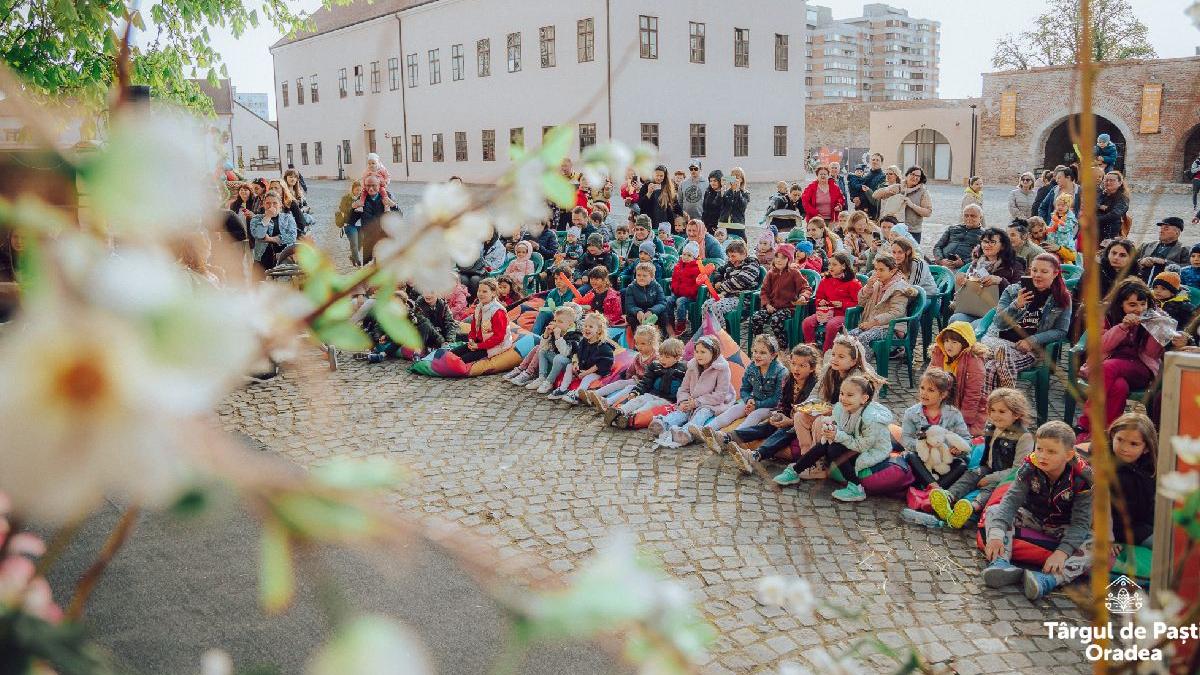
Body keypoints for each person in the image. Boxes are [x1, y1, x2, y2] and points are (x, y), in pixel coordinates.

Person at [981, 421, 1094, 600]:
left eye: (1051, 452)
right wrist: (995, 535)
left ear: (1068, 454)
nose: (1042, 456)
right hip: (1032, 516)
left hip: (1062, 526)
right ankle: (1001, 563)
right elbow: (1010, 501)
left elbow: (1081, 524)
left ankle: (1048, 580)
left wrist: (1062, 552)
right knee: (994, 510)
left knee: (1096, 544)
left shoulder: (1083, 479)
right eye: (1039, 449)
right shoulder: (1030, 465)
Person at [922, 388, 1034, 529]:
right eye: (992, 410)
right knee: (971, 474)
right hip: (988, 467)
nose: (995, 415)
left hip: (1007, 478)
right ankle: (948, 497)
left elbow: (1018, 470)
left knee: (990, 489)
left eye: (1002, 412)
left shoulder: (1024, 437)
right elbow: (986, 454)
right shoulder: (992, 426)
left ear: (1016, 414)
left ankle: (971, 507)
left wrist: (991, 478)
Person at [774, 375, 892, 503]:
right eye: (842, 393)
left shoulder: (871, 419)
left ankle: (856, 487)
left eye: (850, 395)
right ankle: (796, 470)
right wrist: (829, 428)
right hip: (852, 442)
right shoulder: (841, 408)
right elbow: (837, 425)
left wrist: (837, 436)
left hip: (871, 450)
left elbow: (863, 446)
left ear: (864, 399)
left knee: (834, 448)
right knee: (826, 444)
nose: (844, 398)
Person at [712, 344, 821, 475]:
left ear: (812, 368)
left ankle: (756, 455)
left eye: (802, 366)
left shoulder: (816, 386)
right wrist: (779, 415)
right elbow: (782, 403)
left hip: (803, 425)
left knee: (785, 431)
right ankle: (728, 437)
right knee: (767, 426)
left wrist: (790, 422)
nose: (796, 369)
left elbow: (811, 413)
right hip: (788, 418)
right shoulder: (788, 379)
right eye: (793, 363)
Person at [1075, 278, 1164, 438]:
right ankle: (1106, 433)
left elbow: (1151, 354)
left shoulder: (1155, 317)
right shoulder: (1108, 316)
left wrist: (1154, 329)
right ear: (1120, 304)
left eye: (1143, 304)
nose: (1139, 309)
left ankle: (1085, 422)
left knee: (1108, 367)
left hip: (1140, 367)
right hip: (1109, 365)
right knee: (1119, 387)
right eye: (1132, 305)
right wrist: (1122, 327)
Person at [981, 254, 1072, 392]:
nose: (1037, 275)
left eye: (1044, 271)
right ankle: (1010, 405)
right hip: (996, 340)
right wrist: (1016, 305)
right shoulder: (1013, 290)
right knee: (1002, 349)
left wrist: (1032, 340)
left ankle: (992, 409)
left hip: (1027, 350)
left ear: (1055, 273)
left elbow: (1061, 331)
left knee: (991, 367)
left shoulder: (1061, 298)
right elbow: (998, 322)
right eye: (1034, 270)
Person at [648, 335, 736, 447]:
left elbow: (720, 395)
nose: (699, 355)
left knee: (702, 413)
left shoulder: (722, 368)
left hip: (713, 402)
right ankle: (664, 423)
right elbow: (684, 388)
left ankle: (687, 432)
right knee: (683, 410)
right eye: (697, 351)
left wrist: (697, 402)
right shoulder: (692, 366)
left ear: (713, 353)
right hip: (692, 399)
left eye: (703, 352)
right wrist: (683, 401)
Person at [900, 368, 972, 489]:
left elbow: (966, 439)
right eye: (922, 388)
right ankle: (935, 487)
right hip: (923, 461)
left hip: (945, 460)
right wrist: (923, 446)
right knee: (910, 456)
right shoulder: (912, 413)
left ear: (943, 394)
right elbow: (906, 438)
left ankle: (935, 489)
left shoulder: (953, 414)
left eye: (931, 390)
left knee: (962, 465)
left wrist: (957, 450)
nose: (924, 393)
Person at [701, 334, 787, 435]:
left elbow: (777, 399)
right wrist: (748, 400)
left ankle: (732, 436)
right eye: (755, 351)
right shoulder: (751, 367)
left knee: (755, 415)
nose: (757, 355)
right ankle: (706, 430)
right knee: (733, 410)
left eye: (763, 353)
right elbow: (744, 389)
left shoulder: (781, 372)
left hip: (771, 407)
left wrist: (756, 405)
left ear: (773, 355)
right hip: (753, 401)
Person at [947, 227, 1026, 325]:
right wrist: (961, 280)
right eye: (984, 241)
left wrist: (1000, 281)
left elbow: (1018, 291)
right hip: (973, 308)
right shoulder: (976, 263)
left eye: (992, 242)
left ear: (1002, 246)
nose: (987, 245)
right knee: (955, 319)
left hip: (998, 312)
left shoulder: (1014, 265)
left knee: (976, 326)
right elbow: (964, 289)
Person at [606, 338, 688, 428]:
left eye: (667, 357)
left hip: (667, 400)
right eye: (661, 356)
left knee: (650, 405)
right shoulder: (655, 366)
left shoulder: (682, 370)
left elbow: (686, 388)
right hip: (652, 394)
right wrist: (635, 392)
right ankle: (619, 411)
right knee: (639, 399)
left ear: (677, 358)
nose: (662, 359)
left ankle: (630, 417)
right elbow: (646, 382)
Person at [847, 252, 917, 351]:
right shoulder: (877, 284)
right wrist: (868, 286)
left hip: (891, 330)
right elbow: (861, 302)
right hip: (872, 326)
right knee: (847, 338)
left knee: (863, 338)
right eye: (876, 269)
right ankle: (850, 364)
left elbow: (896, 312)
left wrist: (873, 323)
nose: (877, 273)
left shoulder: (899, 288)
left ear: (892, 271)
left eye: (881, 270)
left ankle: (863, 365)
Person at [930, 321, 989, 436]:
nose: (948, 345)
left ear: (965, 343)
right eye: (946, 341)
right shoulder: (939, 354)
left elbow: (972, 395)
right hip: (944, 403)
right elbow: (929, 381)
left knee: (958, 437)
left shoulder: (974, 361)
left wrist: (963, 421)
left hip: (965, 408)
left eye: (954, 342)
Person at [583, 324, 660, 412]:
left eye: (643, 344)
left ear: (652, 343)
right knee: (620, 383)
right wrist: (630, 376)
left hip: (646, 386)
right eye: (637, 343)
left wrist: (640, 381)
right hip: (636, 380)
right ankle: (594, 394)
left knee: (629, 388)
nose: (639, 347)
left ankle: (607, 402)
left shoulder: (656, 358)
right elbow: (631, 370)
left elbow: (656, 377)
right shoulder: (638, 356)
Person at [1108, 413, 1157, 548]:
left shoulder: (1151, 468)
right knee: (1165, 547)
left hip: (1147, 524)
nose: (1124, 448)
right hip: (1121, 531)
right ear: (1112, 435)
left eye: (1134, 444)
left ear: (1146, 448)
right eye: (1120, 439)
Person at [749, 244, 810, 349]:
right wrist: (767, 304)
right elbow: (763, 291)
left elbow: (805, 288)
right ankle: (761, 343)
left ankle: (782, 347)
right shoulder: (770, 273)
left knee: (775, 320)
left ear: (789, 259)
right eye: (777, 256)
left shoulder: (794, 273)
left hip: (788, 308)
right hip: (772, 307)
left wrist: (803, 296)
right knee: (756, 317)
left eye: (783, 257)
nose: (779, 260)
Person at [801, 252, 861, 351]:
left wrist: (842, 304)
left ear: (843, 266)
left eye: (834, 264)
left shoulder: (853, 283)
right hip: (826, 312)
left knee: (832, 325)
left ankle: (827, 351)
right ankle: (811, 349)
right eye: (829, 264)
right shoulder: (825, 281)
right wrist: (821, 302)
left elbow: (858, 304)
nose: (830, 267)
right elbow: (818, 298)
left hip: (844, 315)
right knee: (807, 322)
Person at [552, 312, 616, 403]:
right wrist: (575, 363)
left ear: (598, 330)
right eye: (585, 326)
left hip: (596, 371)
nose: (587, 329)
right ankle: (563, 389)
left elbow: (599, 365)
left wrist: (586, 373)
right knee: (569, 366)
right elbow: (577, 353)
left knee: (587, 378)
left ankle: (577, 395)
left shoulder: (603, 347)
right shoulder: (584, 341)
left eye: (590, 327)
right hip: (585, 366)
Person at [702, 240, 762, 330]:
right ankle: (708, 332)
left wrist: (721, 286)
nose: (730, 259)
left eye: (733, 256)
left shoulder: (751, 264)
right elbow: (718, 271)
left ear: (744, 254)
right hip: (728, 296)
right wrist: (718, 280)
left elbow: (740, 281)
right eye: (729, 256)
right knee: (706, 305)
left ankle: (722, 334)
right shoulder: (731, 263)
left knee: (716, 307)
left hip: (743, 299)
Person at [451, 278, 511, 364]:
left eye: (485, 291)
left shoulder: (498, 311)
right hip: (480, 342)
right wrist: (471, 339)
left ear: (493, 293)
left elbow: (499, 338)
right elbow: (473, 329)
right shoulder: (479, 307)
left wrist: (479, 346)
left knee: (461, 361)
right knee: (452, 354)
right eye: (479, 291)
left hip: (494, 346)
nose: (480, 294)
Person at [347, 176, 400, 265]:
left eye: (373, 185)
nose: (370, 188)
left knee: (387, 265)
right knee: (368, 268)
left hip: (384, 236)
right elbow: (351, 220)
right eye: (368, 185)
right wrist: (353, 207)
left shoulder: (387, 196)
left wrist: (393, 205)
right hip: (368, 238)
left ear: (379, 185)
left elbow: (398, 216)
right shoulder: (361, 198)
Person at [874, 166, 933, 242]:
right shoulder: (898, 187)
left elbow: (928, 212)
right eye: (912, 174)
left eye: (918, 176)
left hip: (912, 231)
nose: (915, 177)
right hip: (894, 229)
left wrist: (912, 205)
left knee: (912, 253)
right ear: (907, 175)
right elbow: (875, 195)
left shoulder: (923, 192)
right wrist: (887, 191)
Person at [248, 191, 297, 269]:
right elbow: (259, 235)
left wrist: (271, 239)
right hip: (262, 259)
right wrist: (267, 217)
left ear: (280, 205)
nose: (271, 206)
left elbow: (292, 237)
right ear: (263, 205)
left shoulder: (288, 218)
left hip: (283, 260)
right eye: (268, 203)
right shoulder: (256, 219)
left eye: (275, 203)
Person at [1133, 217, 1189, 283]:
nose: (1161, 231)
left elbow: (1189, 269)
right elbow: (1130, 261)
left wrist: (1165, 262)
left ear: (1177, 232)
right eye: (1161, 228)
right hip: (1140, 282)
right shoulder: (1146, 246)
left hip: (1166, 285)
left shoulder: (1184, 250)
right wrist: (1141, 261)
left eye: (1166, 229)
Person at [932, 204, 984, 270]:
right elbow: (937, 247)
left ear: (980, 217)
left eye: (973, 216)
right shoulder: (952, 229)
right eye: (966, 216)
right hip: (942, 263)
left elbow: (983, 255)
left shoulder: (984, 235)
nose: (969, 218)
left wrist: (963, 263)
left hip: (965, 267)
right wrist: (940, 260)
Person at [637, 165, 684, 233]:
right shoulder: (646, 186)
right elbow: (641, 205)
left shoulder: (668, 187)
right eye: (657, 175)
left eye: (661, 176)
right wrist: (649, 193)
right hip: (650, 224)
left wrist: (682, 215)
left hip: (666, 223)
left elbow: (675, 205)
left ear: (665, 176)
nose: (659, 178)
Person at [623, 262, 669, 331]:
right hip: (638, 314)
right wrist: (638, 311)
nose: (641, 278)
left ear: (652, 277)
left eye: (644, 276)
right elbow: (629, 305)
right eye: (638, 275)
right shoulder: (631, 287)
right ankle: (637, 337)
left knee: (664, 316)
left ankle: (662, 337)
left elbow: (662, 303)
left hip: (653, 313)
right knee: (631, 319)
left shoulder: (657, 286)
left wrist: (652, 311)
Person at [669, 242, 702, 336]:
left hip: (690, 296)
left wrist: (688, 292)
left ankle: (681, 324)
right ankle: (670, 323)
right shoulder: (678, 266)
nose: (685, 257)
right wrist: (674, 288)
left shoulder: (697, 269)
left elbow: (697, 285)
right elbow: (674, 280)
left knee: (680, 301)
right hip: (677, 293)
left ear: (694, 257)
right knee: (668, 301)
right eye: (684, 254)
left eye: (689, 255)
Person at [1096, 170, 1131, 242]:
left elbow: (1114, 214)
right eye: (1106, 180)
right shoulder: (1101, 194)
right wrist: (1099, 206)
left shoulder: (1123, 198)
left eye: (1112, 180)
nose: (1108, 182)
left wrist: (1095, 220)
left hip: (1110, 234)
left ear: (1120, 183)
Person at [720, 169, 751, 240]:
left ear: (742, 180)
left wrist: (737, 191)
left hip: (738, 226)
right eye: (733, 177)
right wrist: (722, 189)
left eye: (737, 177)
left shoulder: (745, 193)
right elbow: (719, 205)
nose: (735, 179)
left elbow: (742, 206)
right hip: (724, 225)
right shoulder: (726, 192)